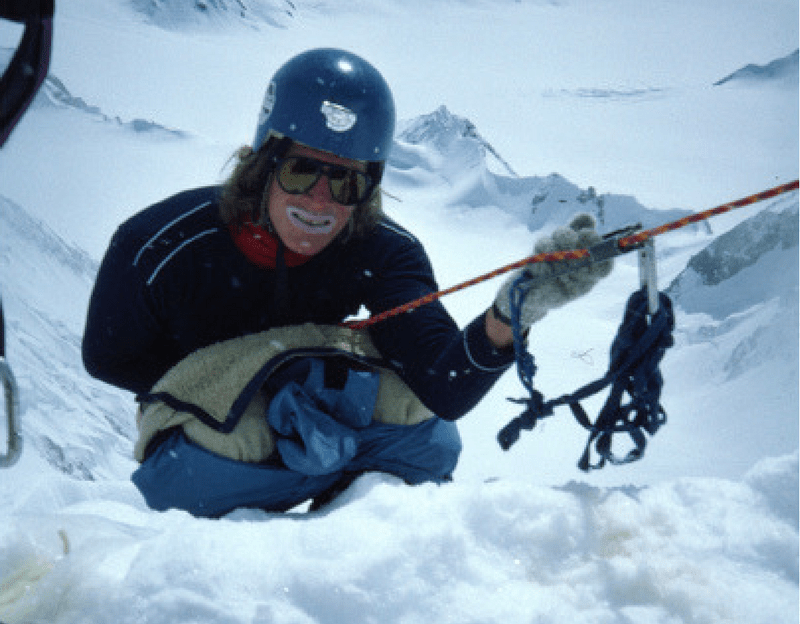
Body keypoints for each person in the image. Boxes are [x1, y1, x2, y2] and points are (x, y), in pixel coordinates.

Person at [82, 48, 612, 517]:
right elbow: (107, 356)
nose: (319, 201)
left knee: (433, 440)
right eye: (300, 172)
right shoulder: (161, 244)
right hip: (218, 423)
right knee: (183, 479)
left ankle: (342, 514)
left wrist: (514, 313)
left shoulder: (384, 251)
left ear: (370, 186)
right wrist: (241, 380)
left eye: (346, 181)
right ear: (262, 164)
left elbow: (441, 384)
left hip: (319, 411)